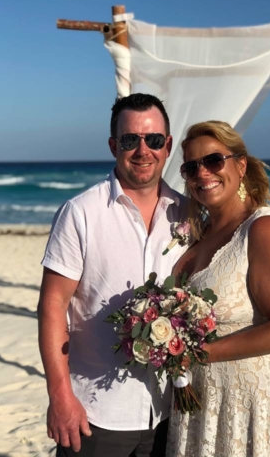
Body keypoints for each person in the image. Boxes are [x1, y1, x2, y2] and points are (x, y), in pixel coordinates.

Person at [38, 93, 188, 457]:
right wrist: (60, 397)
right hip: (97, 413)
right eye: (129, 139)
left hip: (170, 411)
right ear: (112, 145)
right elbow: (52, 305)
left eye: (153, 140)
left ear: (167, 146)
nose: (142, 150)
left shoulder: (188, 214)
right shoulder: (80, 213)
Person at [166, 121, 270, 457]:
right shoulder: (196, 237)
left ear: (240, 165)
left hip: (249, 408)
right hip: (200, 404)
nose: (202, 173)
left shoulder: (264, 229)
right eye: (191, 167)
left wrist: (197, 355)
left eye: (214, 161)